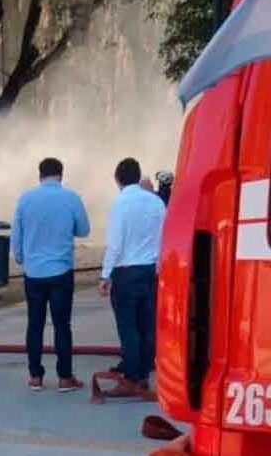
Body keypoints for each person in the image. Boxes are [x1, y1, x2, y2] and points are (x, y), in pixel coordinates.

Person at [11, 158, 90, 392]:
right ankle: (65, 378)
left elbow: (16, 235)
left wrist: (20, 257)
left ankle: (35, 376)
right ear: (61, 175)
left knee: (34, 324)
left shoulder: (25, 199)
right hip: (61, 271)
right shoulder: (71, 198)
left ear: (40, 175)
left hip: (33, 273)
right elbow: (84, 230)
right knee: (62, 325)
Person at [99, 158, 166, 396]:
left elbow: (115, 245)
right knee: (147, 326)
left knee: (128, 327)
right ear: (138, 177)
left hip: (126, 273)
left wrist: (105, 275)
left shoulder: (120, 203)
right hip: (149, 271)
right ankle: (143, 378)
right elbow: (163, 238)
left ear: (117, 179)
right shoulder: (156, 202)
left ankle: (130, 378)